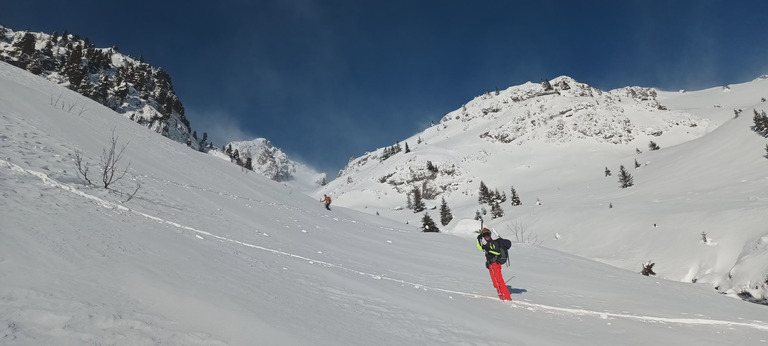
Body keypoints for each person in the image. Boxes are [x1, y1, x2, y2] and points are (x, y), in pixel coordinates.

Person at [477, 228, 512, 301]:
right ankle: (501, 295)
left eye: (487, 235)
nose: (486, 237)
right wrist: (478, 239)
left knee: (499, 280)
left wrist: (488, 250)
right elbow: (480, 247)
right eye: (484, 235)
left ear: (490, 235)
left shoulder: (493, 243)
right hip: (491, 264)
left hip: (495, 264)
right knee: (495, 282)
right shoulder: (487, 244)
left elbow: (498, 253)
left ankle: (506, 297)